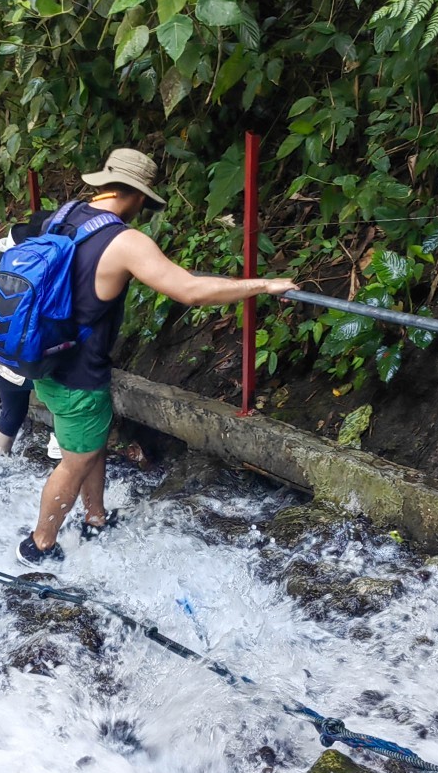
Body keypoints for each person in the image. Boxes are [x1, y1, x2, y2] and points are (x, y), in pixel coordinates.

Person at [18, 147, 294, 564]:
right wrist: (262, 285)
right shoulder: (124, 240)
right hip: (79, 374)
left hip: (46, 355)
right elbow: (191, 290)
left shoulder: (65, 215)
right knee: (73, 461)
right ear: (137, 195)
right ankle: (38, 545)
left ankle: (95, 517)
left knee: (90, 445)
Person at [0, 222, 37, 453]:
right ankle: (57, 448)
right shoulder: (21, 268)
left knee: (14, 408)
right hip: (10, 354)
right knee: (64, 388)